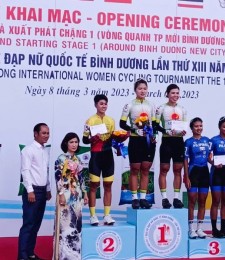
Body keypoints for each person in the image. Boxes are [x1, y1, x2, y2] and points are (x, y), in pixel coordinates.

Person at [120, 79, 157, 209]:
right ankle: (134, 198)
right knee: (135, 169)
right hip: (135, 140)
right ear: (135, 90)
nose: (142, 91)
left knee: (146, 170)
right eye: (140, 88)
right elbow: (122, 123)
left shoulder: (151, 105)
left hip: (148, 141)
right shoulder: (129, 105)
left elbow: (155, 124)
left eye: (144, 88)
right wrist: (134, 129)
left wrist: (154, 136)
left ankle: (143, 198)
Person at [18, 123, 52, 260]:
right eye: (43, 133)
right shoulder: (28, 150)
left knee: (36, 225)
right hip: (32, 192)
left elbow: (46, 171)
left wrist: (48, 189)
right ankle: (22, 256)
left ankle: (30, 254)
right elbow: (25, 171)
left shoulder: (45, 150)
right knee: (28, 225)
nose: (46, 136)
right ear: (35, 134)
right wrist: (30, 191)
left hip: (43, 191)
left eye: (48, 133)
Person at [53, 133, 88, 260]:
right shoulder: (61, 158)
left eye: (76, 142)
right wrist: (61, 194)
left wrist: (85, 193)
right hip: (65, 195)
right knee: (65, 226)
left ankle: (75, 255)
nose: (74, 144)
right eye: (71, 142)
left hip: (77, 196)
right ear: (66, 144)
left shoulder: (78, 160)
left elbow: (82, 179)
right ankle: (62, 256)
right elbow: (58, 178)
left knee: (76, 226)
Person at [83, 94, 115, 225]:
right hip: (96, 156)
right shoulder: (89, 121)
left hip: (108, 156)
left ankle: (107, 215)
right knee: (94, 185)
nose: (104, 106)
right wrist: (92, 138)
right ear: (96, 105)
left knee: (108, 185)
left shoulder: (111, 120)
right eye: (101, 103)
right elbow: (84, 139)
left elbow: (113, 138)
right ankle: (92, 215)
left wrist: (120, 141)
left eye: (105, 103)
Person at [154, 84, 187, 209]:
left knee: (178, 170)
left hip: (178, 141)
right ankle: (164, 198)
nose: (175, 95)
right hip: (167, 141)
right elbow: (155, 125)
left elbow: (183, 126)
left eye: (177, 93)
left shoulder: (182, 109)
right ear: (167, 94)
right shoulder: (161, 108)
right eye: (173, 93)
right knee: (164, 169)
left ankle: (176, 198)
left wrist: (183, 131)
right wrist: (165, 131)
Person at [184, 117, 210, 239]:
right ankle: (190, 229)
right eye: (196, 126)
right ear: (192, 128)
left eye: (200, 126)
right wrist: (186, 176)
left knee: (202, 201)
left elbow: (210, 157)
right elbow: (185, 160)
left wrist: (215, 163)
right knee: (192, 201)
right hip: (193, 171)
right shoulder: (188, 142)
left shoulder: (207, 140)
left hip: (205, 171)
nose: (199, 128)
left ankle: (199, 228)